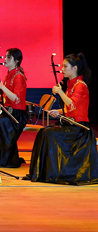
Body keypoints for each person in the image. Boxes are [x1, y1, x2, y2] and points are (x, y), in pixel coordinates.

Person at [25, 53, 98, 185]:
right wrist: (58, 111)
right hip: (70, 125)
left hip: (79, 129)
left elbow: (72, 104)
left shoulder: (80, 85)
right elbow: (70, 108)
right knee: (43, 132)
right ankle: (42, 173)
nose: (62, 69)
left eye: (65, 66)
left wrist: (60, 92)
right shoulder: (71, 85)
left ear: (74, 68)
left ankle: (52, 174)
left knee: (49, 133)